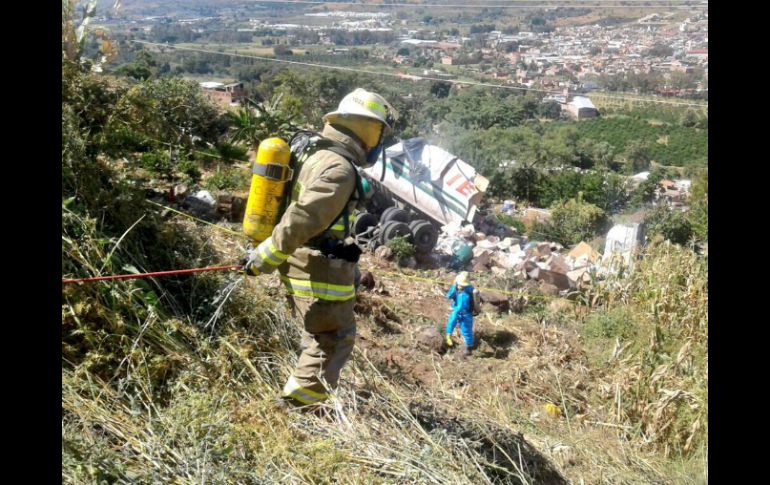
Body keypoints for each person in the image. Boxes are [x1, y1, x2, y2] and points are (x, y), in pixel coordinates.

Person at [243, 88, 397, 408]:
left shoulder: (316, 154)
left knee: (317, 334)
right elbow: (305, 217)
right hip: (314, 266)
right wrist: (266, 258)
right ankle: (299, 406)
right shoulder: (339, 169)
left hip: (309, 258)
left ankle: (299, 396)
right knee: (332, 338)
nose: (379, 141)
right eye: (378, 132)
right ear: (366, 130)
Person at [445, 271, 475, 357]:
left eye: (461, 285)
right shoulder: (457, 288)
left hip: (466, 314)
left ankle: (469, 347)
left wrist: (456, 311)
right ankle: (448, 335)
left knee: (466, 331)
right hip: (457, 311)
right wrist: (454, 286)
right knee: (451, 322)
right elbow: (449, 296)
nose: (460, 286)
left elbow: (461, 306)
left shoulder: (467, 293)